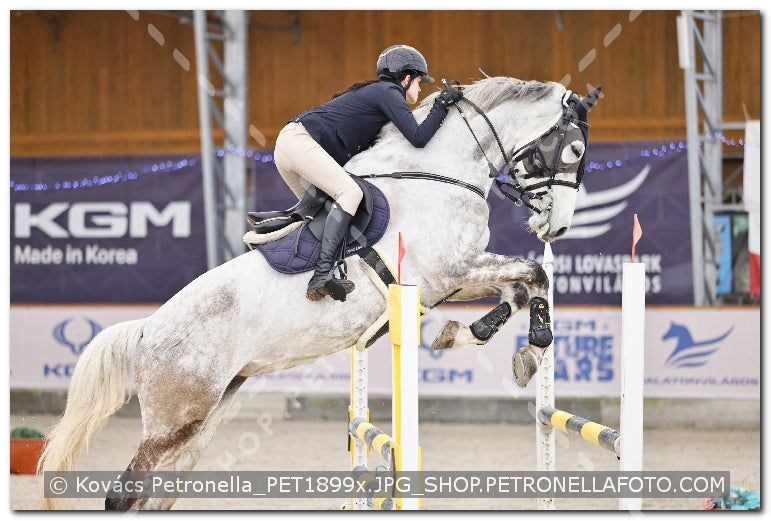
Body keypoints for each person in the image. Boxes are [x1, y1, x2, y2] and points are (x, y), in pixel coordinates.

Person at [272, 44, 463, 302]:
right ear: (405, 79)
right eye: (418, 82)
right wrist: (441, 105)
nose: (420, 89)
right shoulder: (389, 91)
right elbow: (418, 137)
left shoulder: (380, 97)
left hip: (290, 145)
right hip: (299, 142)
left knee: (326, 213)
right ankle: (321, 275)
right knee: (349, 193)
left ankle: (307, 276)